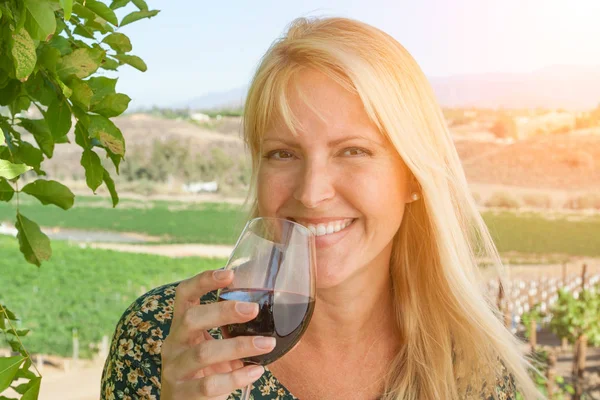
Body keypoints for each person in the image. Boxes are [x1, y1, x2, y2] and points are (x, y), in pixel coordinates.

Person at [101, 16, 543, 400]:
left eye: (352, 151)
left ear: (412, 176)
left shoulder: (470, 368)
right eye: (283, 153)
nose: (311, 193)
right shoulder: (165, 338)